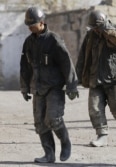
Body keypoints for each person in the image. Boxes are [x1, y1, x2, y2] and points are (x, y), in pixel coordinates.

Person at [20, 6, 79, 163]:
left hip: (54, 87)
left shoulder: (54, 40)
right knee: (40, 123)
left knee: (53, 119)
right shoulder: (28, 43)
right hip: (38, 88)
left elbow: (67, 63)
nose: (31, 28)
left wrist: (72, 85)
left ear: (42, 22)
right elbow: (25, 67)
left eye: (33, 24)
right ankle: (49, 154)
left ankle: (65, 143)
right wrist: (25, 88)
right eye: (29, 25)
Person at [76, 10, 116, 147]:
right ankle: (102, 135)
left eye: (98, 27)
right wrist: (77, 77)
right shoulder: (90, 35)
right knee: (94, 108)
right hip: (95, 77)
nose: (96, 30)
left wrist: (105, 30)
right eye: (94, 28)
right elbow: (83, 56)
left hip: (113, 77)